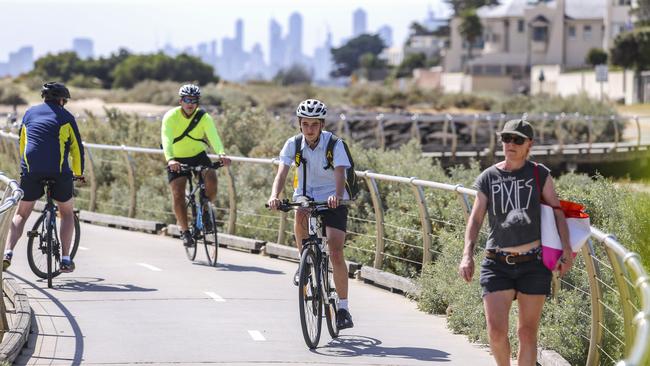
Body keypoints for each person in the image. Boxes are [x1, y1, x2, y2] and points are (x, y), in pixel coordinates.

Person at [458, 119, 574, 366]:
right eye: (506, 138)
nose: (510, 144)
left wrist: (567, 249)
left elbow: (556, 211)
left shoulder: (539, 174)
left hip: (533, 264)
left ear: (529, 144)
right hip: (496, 263)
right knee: (497, 332)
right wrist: (467, 254)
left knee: (527, 332)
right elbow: (476, 218)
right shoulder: (488, 177)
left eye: (517, 140)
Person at [267, 99, 354, 330]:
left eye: (314, 125)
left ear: (322, 124)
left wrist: (336, 195)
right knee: (300, 214)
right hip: (305, 194)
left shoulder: (334, 144)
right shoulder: (293, 144)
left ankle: (343, 308)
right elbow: (282, 173)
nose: (310, 129)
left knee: (335, 251)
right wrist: (274, 195)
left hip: (332, 198)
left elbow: (339, 173)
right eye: (305, 124)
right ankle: (303, 262)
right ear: (299, 124)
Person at [3, 82, 84, 273]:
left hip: (31, 171)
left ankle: (7, 253)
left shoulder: (30, 114)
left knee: (21, 214)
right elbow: (77, 149)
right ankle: (65, 259)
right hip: (59, 172)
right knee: (66, 213)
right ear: (62, 100)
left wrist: (25, 168)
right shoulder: (66, 117)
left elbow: (23, 143)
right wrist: (79, 173)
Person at [161, 84, 230, 247]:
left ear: (198, 102)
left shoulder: (204, 117)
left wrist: (221, 153)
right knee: (178, 193)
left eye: (194, 100)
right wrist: (170, 159)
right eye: (187, 99)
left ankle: (206, 210)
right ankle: (185, 231)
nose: (190, 103)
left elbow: (213, 136)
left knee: (211, 179)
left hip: (198, 156)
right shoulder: (171, 116)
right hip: (176, 158)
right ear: (181, 101)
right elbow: (166, 139)